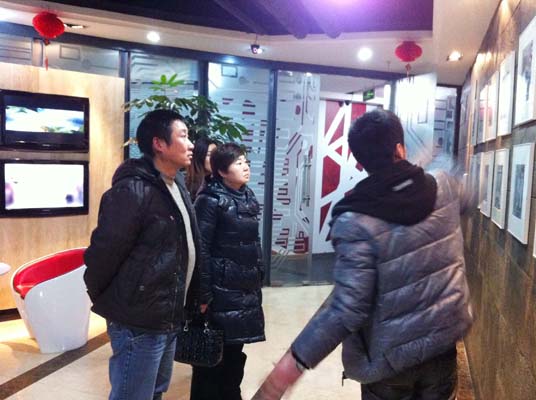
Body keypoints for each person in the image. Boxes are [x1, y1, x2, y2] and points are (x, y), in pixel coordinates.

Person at [252, 109, 474, 400]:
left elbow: (347, 308)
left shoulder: (353, 219)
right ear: (399, 149)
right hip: (442, 347)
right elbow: (473, 193)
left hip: (388, 361)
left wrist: (289, 368)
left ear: (360, 161)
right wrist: (434, 154)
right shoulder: (444, 186)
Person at [83, 109, 200, 400]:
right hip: (138, 319)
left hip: (167, 314)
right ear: (159, 144)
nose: (191, 145)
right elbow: (103, 254)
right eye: (183, 136)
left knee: (155, 391)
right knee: (132, 395)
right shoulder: (133, 190)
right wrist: (114, 300)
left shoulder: (176, 184)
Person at [191, 142, 265, 400]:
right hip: (219, 291)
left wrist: (258, 273)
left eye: (246, 162)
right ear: (221, 171)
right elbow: (200, 249)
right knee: (211, 360)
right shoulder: (209, 200)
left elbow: (253, 242)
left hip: (243, 290)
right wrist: (203, 295)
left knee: (234, 356)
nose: (245, 167)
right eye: (238, 163)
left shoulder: (247, 195)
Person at [186, 135, 217, 201]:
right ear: (200, 156)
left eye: (216, 154)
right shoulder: (184, 182)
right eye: (210, 155)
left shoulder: (217, 182)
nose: (215, 158)